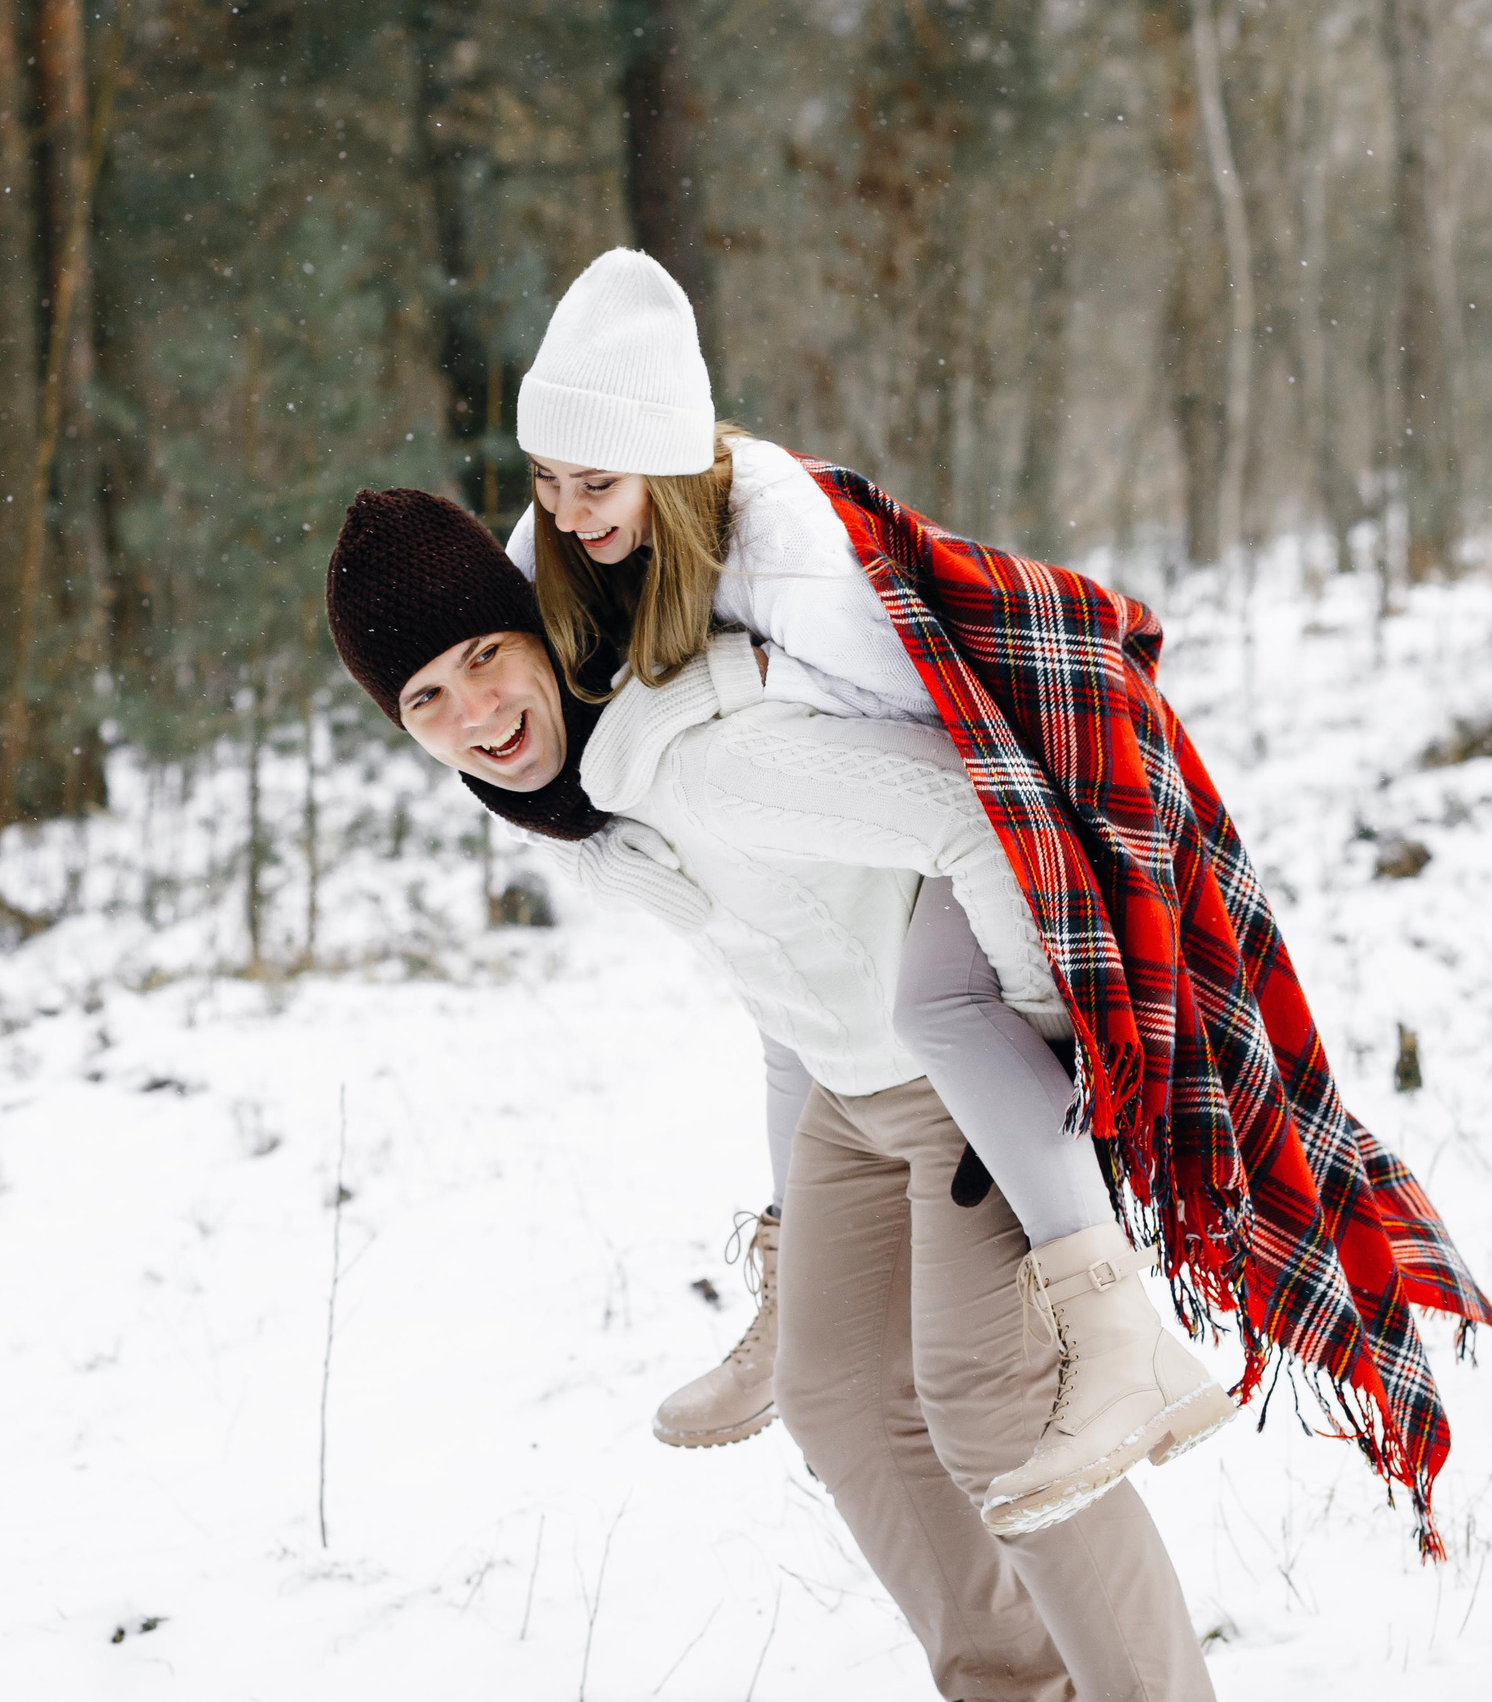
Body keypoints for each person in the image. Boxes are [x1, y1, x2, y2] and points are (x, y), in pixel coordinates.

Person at [325, 490, 1221, 1700]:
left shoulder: (701, 758)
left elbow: (975, 806)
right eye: (425, 699)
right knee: (838, 1394)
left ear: (538, 631)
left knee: (992, 1414)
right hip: (845, 1096)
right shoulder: (586, 808)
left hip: (955, 1078)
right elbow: (772, 975)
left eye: (485, 656)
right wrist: (789, 1214)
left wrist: (1038, 1034)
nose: (473, 715)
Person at [502, 248, 1227, 1531]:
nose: (566, 512)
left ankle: (1115, 1331)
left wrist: (1037, 1002)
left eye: (596, 483)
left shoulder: (789, 565)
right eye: (546, 480)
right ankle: (795, 1312)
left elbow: (957, 766)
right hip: (864, 837)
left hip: (996, 799)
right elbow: (511, 723)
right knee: (781, 999)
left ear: (668, 463)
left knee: (941, 1018)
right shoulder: (557, 550)